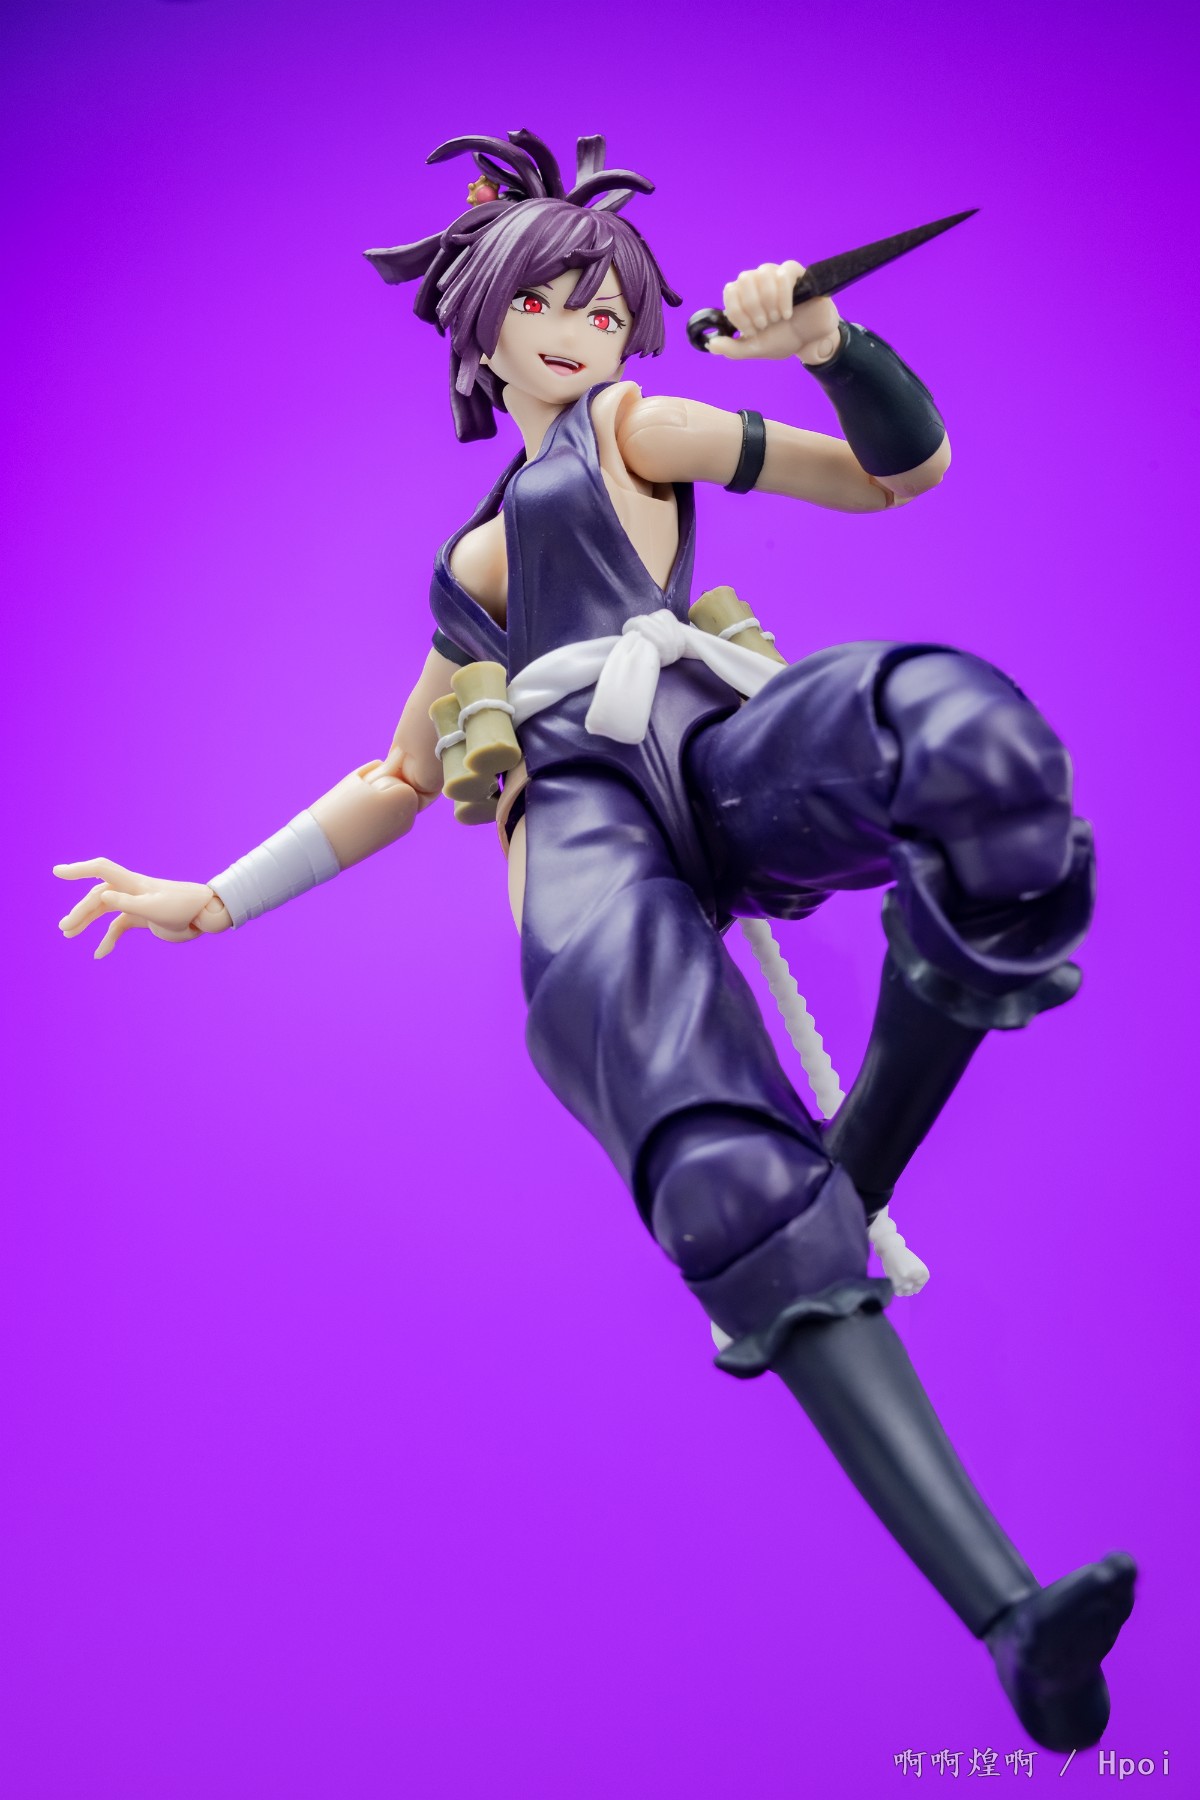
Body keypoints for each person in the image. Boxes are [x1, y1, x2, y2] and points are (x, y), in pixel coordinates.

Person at [54, 128, 1134, 1750]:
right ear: (480, 329)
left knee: (963, 739)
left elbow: (893, 476)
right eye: (543, 301)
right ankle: (1015, 1623)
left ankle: (856, 1164)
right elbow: (397, 779)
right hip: (576, 816)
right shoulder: (470, 568)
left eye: (606, 306)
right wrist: (208, 898)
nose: (577, 328)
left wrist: (831, 343)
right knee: (714, 1172)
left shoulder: (636, 428)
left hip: (717, 742)